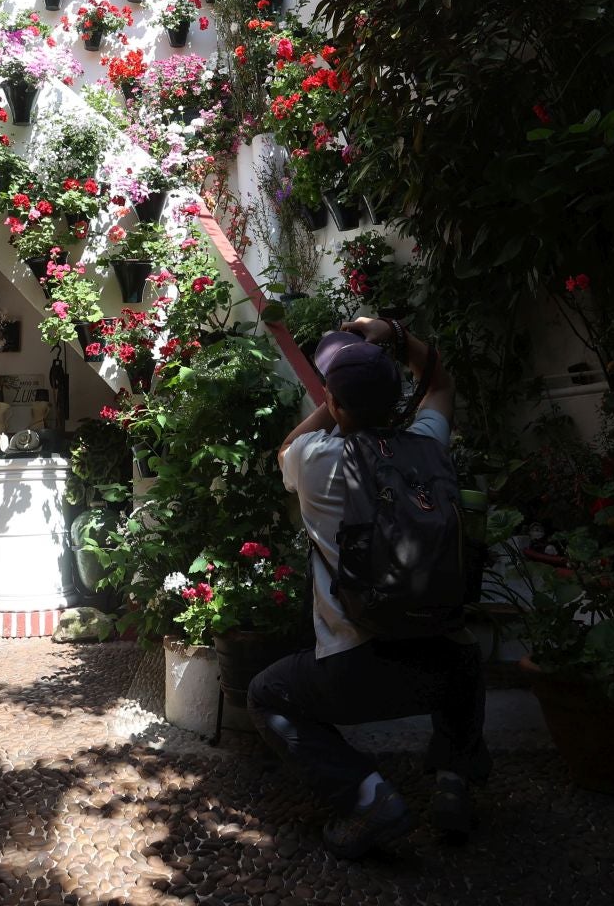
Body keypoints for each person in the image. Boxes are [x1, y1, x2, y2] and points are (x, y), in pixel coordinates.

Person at [249, 317, 490, 859]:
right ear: (396, 399)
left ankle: (367, 797)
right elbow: (440, 382)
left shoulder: (316, 461)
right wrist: (396, 336)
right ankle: (454, 783)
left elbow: (288, 445)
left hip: (355, 673)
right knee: (465, 651)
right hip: (443, 668)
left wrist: (333, 397)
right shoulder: (428, 444)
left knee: (265, 695)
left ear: (335, 404)